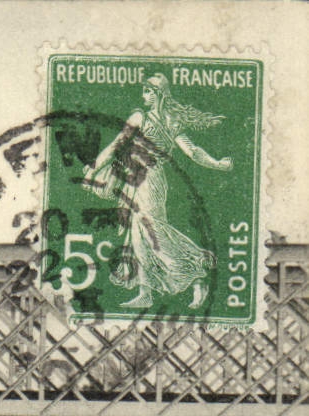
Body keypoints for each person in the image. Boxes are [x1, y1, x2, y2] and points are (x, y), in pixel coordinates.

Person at [83, 72, 233, 310]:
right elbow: (116, 146)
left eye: (147, 91)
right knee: (139, 235)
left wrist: (217, 164)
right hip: (135, 179)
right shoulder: (146, 118)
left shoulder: (157, 120)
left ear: (159, 94)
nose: (143, 96)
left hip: (150, 180)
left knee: (151, 230)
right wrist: (94, 168)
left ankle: (196, 269)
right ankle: (146, 292)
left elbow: (192, 151)